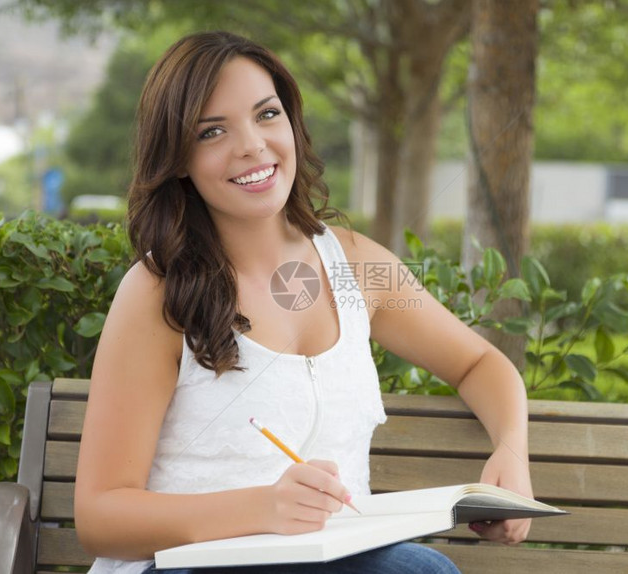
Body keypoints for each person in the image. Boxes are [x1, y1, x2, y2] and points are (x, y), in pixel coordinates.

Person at [75, 31, 533, 574]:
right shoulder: (158, 291)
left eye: (266, 115)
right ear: (177, 158)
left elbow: (479, 362)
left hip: (333, 559)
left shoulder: (356, 266)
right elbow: (101, 516)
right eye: (212, 131)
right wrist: (261, 508)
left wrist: (510, 449)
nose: (251, 144)